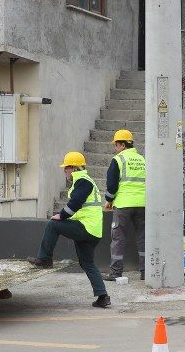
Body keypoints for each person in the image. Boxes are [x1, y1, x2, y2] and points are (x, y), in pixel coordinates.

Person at [27, 151, 110, 308]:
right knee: (87, 263)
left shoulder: (83, 180)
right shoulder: (85, 181)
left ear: (73, 168)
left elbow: (76, 202)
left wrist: (62, 215)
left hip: (86, 227)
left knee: (52, 225)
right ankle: (103, 296)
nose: (64, 171)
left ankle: (44, 259)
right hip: (92, 230)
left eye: (66, 168)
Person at [103, 129, 146, 282]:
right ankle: (145, 272)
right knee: (143, 238)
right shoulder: (142, 159)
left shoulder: (118, 160)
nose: (115, 148)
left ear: (121, 145)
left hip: (123, 205)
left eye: (116, 145)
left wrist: (109, 200)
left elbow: (112, 185)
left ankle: (116, 272)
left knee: (118, 238)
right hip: (143, 204)